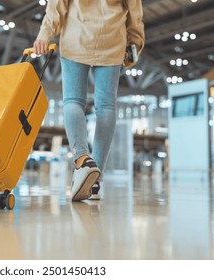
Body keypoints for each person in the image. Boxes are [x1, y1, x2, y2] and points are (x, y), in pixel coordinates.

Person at [33, 0, 145, 201]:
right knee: (106, 106)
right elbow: (135, 11)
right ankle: (94, 181)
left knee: (73, 101)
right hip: (111, 39)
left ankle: (83, 161)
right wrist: (135, 42)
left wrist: (45, 33)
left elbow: (57, 4)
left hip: (77, 37)